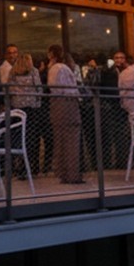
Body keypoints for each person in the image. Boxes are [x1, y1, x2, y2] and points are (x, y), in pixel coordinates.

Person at [46, 44, 83, 184]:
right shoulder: (63, 68)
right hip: (68, 104)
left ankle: (62, 172)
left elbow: (54, 88)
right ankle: (72, 174)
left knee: (60, 140)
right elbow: (66, 88)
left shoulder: (53, 69)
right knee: (71, 139)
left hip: (57, 105)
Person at [9, 52, 44, 173]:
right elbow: (38, 87)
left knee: (19, 136)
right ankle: (32, 166)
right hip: (32, 108)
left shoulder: (13, 72)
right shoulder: (34, 71)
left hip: (17, 108)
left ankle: (20, 167)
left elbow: (10, 89)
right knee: (32, 137)